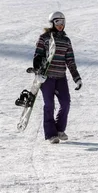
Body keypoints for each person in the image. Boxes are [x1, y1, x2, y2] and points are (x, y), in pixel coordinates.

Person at [33, 11, 82, 144]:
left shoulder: (66, 40)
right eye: (58, 22)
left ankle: (60, 129)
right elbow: (37, 56)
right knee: (49, 105)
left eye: (62, 22)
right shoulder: (44, 38)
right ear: (52, 23)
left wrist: (76, 77)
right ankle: (51, 134)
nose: (60, 25)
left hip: (61, 77)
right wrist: (39, 72)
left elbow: (70, 61)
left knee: (65, 103)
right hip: (47, 78)